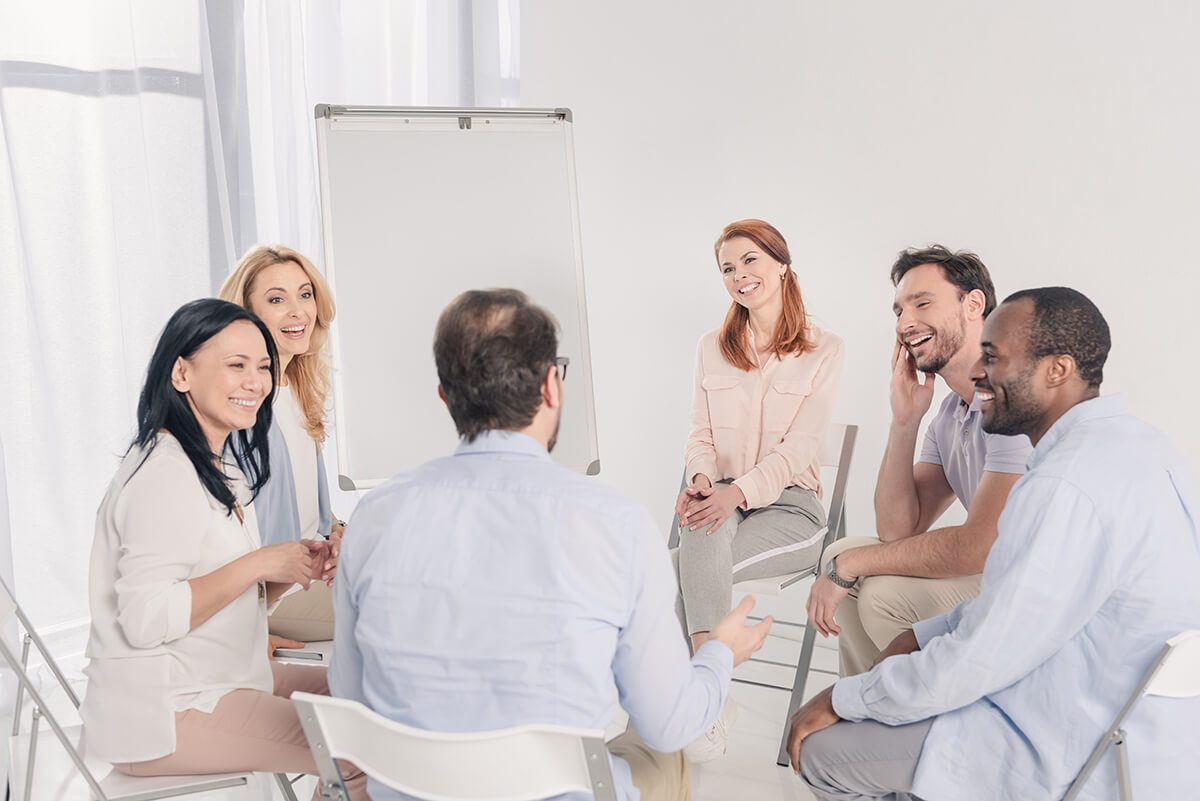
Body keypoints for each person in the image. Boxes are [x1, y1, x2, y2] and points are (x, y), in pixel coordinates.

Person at [330, 288, 773, 801]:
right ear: (551, 386)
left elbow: (350, 696)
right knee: (665, 750)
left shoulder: (374, 517)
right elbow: (669, 724)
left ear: (446, 397)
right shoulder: (617, 524)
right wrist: (718, 655)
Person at [787, 287, 1200, 800]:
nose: (977, 371)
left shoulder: (1064, 483)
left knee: (824, 752)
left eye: (994, 357)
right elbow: (1015, 601)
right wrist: (918, 636)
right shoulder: (1142, 446)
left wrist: (847, 699)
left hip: (1074, 731)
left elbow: (981, 658)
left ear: (1057, 370)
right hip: (1143, 721)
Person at [80, 299, 366, 798]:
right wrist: (260, 561)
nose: (255, 382)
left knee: (370, 704)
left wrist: (291, 569)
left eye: (262, 367)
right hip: (164, 713)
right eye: (236, 366)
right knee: (364, 748)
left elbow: (219, 599)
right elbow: (145, 619)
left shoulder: (215, 466)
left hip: (216, 678)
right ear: (182, 373)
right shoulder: (164, 474)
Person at [806, 246, 1031, 675]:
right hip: (996, 570)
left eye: (922, 303)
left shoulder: (1011, 395)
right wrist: (905, 421)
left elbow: (982, 546)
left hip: (1038, 586)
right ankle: (862, 707)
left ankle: (907, 719)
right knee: (842, 551)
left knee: (878, 590)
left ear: (973, 304)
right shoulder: (951, 415)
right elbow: (897, 531)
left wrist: (851, 567)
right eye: (899, 310)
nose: (905, 323)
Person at [675, 219, 843, 759]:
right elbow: (700, 433)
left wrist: (734, 494)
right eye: (727, 267)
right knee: (703, 532)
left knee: (681, 571)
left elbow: (798, 450)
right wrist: (702, 481)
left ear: (780, 264)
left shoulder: (825, 348)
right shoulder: (711, 346)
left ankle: (695, 700)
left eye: (750, 260)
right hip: (722, 497)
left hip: (792, 509)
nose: (739, 275)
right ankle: (711, 695)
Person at [219, 245, 342, 649]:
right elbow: (224, 531)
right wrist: (247, 633)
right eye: (277, 299)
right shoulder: (244, 404)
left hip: (312, 575)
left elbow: (311, 514)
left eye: (305, 295)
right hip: (277, 596)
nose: (298, 311)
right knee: (421, 607)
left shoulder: (296, 391)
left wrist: (338, 533)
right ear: (246, 315)